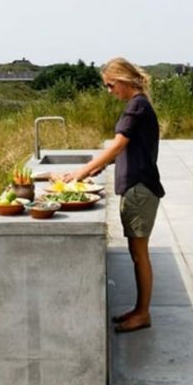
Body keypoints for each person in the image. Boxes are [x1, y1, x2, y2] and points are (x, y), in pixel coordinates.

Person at [63, 57, 164, 334]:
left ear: (122, 80)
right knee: (135, 252)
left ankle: (143, 313)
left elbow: (118, 146)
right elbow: (123, 149)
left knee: (139, 254)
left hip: (140, 190)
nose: (110, 91)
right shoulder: (139, 104)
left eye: (110, 85)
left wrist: (84, 171)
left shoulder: (137, 106)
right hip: (137, 189)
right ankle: (139, 309)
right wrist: (98, 168)